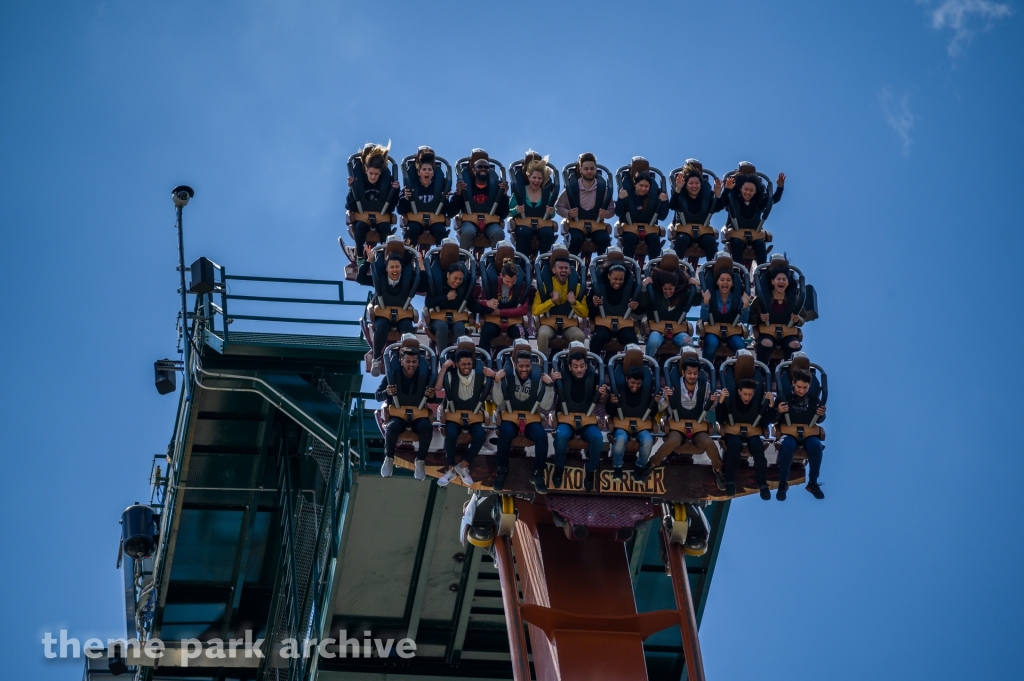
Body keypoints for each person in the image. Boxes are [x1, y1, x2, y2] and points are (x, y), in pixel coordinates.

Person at [637, 349, 726, 490]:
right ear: (683, 372)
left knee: (708, 442)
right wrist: (666, 399)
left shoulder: (705, 385)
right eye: (689, 373)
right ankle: (652, 464)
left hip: (697, 425)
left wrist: (717, 401)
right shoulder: (673, 384)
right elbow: (659, 408)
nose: (692, 376)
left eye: (695, 373)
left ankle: (719, 470)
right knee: (672, 441)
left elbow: (712, 407)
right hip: (677, 425)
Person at [491, 342, 556, 493]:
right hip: (510, 414)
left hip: (531, 415)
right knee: (505, 433)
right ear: (515, 364)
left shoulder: (537, 377)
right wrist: (497, 382)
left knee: (541, 436)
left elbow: (546, 407)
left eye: (527, 366)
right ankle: (502, 470)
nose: (524, 369)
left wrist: (549, 386)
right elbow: (499, 402)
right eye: (521, 366)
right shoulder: (506, 375)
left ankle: (537, 473)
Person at [434, 340, 498, 487]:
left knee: (481, 436)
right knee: (451, 435)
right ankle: (450, 468)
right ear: (457, 364)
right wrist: (444, 368)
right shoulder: (451, 374)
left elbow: (494, 393)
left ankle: (463, 466)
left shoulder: (478, 374)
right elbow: (438, 387)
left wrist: (493, 376)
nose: (467, 367)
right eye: (463, 364)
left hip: (473, 414)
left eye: (469, 364)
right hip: (454, 413)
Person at [551, 345, 608, 492]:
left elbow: (603, 400)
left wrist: (603, 394)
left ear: (586, 365)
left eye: (582, 366)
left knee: (598, 439)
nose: (579, 369)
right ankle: (559, 467)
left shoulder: (593, 376)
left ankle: (590, 471)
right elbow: (549, 398)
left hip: (586, 418)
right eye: (575, 366)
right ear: (569, 367)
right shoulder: (561, 375)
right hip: (566, 416)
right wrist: (551, 382)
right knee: (561, 436)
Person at [376, 339, 436, 481]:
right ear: (401, 361)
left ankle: (420, 460)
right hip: (398, 413)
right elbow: (378, 396)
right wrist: (387, 392)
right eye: (408, 361)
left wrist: (431, 395)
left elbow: (432, 399)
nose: (411, 365)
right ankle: (389, 457)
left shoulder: (424, 376)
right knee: (392, 427)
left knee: (427, 427)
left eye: (414, 362)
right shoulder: (391, 375)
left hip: (418, 413)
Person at [361, 240, 419, 377]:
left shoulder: (406, 279)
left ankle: (407, 360)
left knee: (407, 329)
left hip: (402, 313)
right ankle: (376, 358)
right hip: (382, 313)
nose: (395, 270)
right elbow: (361, 278)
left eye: (397, 267)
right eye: (391, 267)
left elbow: (422, 284)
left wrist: (420, 266)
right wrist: (369, 262)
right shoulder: (379, 279)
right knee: (382, 326)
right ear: (386, 268)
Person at [716, 376, 776, 499]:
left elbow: (764, 422)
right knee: (734, 446)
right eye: (745, 394)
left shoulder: (756, 403)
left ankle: (762, 483)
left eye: (750, 394)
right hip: (733, 431)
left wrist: (771, 405)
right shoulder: (731, 400)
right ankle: (730, 481)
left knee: (758, 448)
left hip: (752, 432)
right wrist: (721, 401)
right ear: (739, 392)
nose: (747, 397)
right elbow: (720, 418)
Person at [775, 367, 827, 500]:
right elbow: (771, 417)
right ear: (793, 383)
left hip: (808, 431)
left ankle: (813, 483)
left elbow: (818, 418)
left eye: (805, 387)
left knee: (816, 447)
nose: (802, 390)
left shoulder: (813, 397)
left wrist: (821, 415)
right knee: (787, 446)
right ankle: (782, 482)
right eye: (799, 387)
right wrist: (778, 411)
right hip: (789, 429)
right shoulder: (784, 394)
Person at [608, 349, 659, 480]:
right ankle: (617, 468)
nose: (635, 386)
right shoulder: (619, 387)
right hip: (622, 423)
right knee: (620, 439)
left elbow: (652, 413)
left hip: (641, 424)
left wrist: (655, 403)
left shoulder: (646, 390)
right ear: (626, 379)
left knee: (648, 441)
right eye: (632, 383)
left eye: (638, 384)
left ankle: (640, 467)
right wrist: (612, 402)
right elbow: (609, 411)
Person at [722, 164, 786, 265]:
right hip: (736, 232)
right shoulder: (734, 200)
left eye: (751, 190)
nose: (748, 193)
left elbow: (773, 200)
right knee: (737, 244)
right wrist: (727, 188)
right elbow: (724, 199)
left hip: (754, 233)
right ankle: (736, 269)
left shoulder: (758, 202)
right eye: (746, 189)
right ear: (740, 189)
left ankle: (761, 271)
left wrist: (780, 187)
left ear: (756, 192)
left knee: (760, 245)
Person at [347, 143, 399, 263]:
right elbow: (350, 205)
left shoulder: (385, 180)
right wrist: (351, 189)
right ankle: (360, 257)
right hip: (362, 215)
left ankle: (385, 257)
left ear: (380, 173)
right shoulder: (359, 179)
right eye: (371, 173)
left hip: (381, 215)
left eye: (376, 174)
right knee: (361, 227)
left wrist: (395, 190)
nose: (373, 177)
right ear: (366, 170)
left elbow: (391, 207)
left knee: (385, 228)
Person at [555, 152, 615, 256]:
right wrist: (568, 213)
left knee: (604, 240)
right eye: (586, 169)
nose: (589, 171)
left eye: (592, 169)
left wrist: (606, 214)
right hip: (576, 224)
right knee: (576, 239)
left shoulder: (603, 190)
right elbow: (558, 207)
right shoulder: (571, 188)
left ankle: (601, 266)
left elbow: (611, 210)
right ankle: (572, 264)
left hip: (597, 225)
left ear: (596, 169)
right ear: (580, 169)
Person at [641, 252, 700, 358]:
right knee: (653, 342)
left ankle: (687, 368)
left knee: (688, 343)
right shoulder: (653, 291)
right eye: (665, 289)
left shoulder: (682, 292)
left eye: (671, 289)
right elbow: (643, 302)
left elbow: (696, 301)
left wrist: (696, 287)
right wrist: (644, 287)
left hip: (678, 328)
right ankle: (647, 362)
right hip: (657, 328)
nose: (668, 292)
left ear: (675, 287)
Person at [749, 258, 806, 364]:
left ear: (788, 282)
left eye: (784, 279)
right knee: (766, 343)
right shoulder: (762, 298)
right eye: (778, 279)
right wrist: (759, 318)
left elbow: (803, 317)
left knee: (795, 344)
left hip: (787, 332)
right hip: (767, 331)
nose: (781, 282)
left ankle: (789, 371)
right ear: (772, 281)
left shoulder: (794, 299)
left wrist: (798, 320)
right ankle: (762, 369)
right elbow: (750, 316)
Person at [472, 250, 530, 354]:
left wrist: (501, 312)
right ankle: (484, 360)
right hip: (493, 320)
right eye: (507, 281)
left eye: (513, 281)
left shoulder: (521, 286)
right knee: (486, 332)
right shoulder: (491, 283)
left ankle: (521, 361)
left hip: (513, 320)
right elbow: (479, 301)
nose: (510, 284)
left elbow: (524, 309)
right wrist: (487, 303)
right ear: (501, 276)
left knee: (522, 334)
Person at [669, 160, 727, 262]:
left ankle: (712, 269)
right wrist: (678, 189)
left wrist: (718, 194)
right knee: (682, 240)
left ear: (701, 184)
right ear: (686, 185)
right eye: (691, 183)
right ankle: (677, 268)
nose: (694, 186)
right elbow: (673, 205)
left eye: (697, 183)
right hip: (683, 229)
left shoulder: (706, 195)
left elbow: (718, 207)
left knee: (711, 242)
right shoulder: (680, 193)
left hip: (703, 231)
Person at [533, 250, 588, 355]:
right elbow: (535, 311)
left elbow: (585, 313)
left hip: (568, 322)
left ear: (570, 271)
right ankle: (542, 365)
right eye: (560, 268)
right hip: (549, 322)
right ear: (554, 270)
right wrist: (552, 301)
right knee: (543, 334)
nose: (564, 270)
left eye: (566, 268)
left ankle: (573, 365)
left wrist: (574, 303)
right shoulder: (545, 285)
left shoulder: (576, 287)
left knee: (579, 335)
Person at [422, 241, 472, 352]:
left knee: (460, 327)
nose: (457, 282)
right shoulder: (437, 281)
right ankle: (442, 356)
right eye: (455, 278)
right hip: (437, 317)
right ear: (448, 275)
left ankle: (456, 355)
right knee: (442, 327)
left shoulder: (463, 287)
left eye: (460, 279)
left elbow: (471, 303)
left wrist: (487, 305)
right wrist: (446, 297)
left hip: (456, 318)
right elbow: (428, 302)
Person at [587, 255, 642, 356]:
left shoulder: (631, 287)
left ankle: (632, 366)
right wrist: (594, 305)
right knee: (599, 337)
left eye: (621, 279)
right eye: (615, 279)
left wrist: (636, 306)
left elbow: (640, 311)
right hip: (603, 321)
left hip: (623, 321)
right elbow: (589, 312)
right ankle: (593, 363)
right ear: (608, 276)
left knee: (632, 340)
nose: (618, 282)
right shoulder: (598, 287)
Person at [399, 146, 453, 247]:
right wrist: (405, 198)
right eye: (424, 169)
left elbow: (448, 211)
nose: (427, 172)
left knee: (441, 232)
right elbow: (400, 210)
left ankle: (440, 258)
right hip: (415, 219)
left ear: (433, 173)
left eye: (429, 170)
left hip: (435, 219)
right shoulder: (410, 186)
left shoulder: (439, 187)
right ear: (419, 173)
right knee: (412, 231)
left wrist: (445, 199)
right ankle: (408, 257)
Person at [454, 150, 509, 250]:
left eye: (486, 167)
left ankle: (494, 261)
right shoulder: (465, 185)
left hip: (491, 221)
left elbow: (503, 214)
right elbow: (452, 211)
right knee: (467, 232)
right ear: (474, 170)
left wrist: (504, 195)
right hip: (469, 220)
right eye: (479, 167)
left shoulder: (495, 187)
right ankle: (462, 260)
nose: (483, 169)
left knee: (498, 233)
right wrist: (458, 193)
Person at [509, 153, 558, 258]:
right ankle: (522, 263)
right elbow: (508, 211)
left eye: (539, 178)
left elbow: (552, 214)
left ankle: (544, 263)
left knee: (548, 233)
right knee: (524, 233)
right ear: (529, 177)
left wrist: (551, 212)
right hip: (523, 223)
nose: (536, 181)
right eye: (534, 178)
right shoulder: (520, 191)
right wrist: (516, 210)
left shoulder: (547, 193)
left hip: (543, 223)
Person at [699, 261, 749, 363]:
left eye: (728, 280)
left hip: (732, 329)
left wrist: (745, 305)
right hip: (712, 329)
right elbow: (704, 318)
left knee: (742, 348)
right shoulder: (710, 295)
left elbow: (743, 320)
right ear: (717, 282)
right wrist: (706, 302)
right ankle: (705, 369)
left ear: (732, 283)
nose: (725, 282)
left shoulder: (737, 298)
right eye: (722, 280)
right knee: (712, 343)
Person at [615, 170, 668, 260]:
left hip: (649, 228)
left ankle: (653, 267)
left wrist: (665, 202)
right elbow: (619, 213)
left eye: (646, 186)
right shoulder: (627, 195)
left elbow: (662, 217)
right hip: (629, 228)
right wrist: (620, 199)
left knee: (654, 240)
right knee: (630, 239)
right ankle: (627, 265)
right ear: (635, 185)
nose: (643, 188)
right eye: (641, 185)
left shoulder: (653, 199)